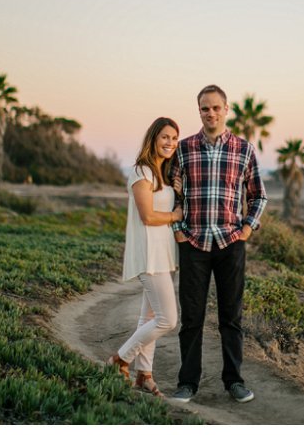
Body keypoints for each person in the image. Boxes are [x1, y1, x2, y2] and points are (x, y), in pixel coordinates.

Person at [169, 85, 268, 404]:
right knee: (192, 318)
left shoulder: (243, 149)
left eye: (215, 108)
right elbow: (172, 194)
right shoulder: (183, 149)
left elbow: (258, 195)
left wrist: (248, 228)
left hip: (230, 243)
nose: (209, 113)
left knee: (231, 317)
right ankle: (187, 383)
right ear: (198, 111)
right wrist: (178, 230)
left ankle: (234, 381)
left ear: (226, 110)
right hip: (193, 242)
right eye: (203, 108)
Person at [107, 117, 184, 397]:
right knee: (167, 320)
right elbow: (148, 216)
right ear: (153, 138)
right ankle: (120, 360)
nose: (170, 143)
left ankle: (144, 376)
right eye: (165, 137)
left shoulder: (162, 175)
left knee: (149, 318)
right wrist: (175, 215)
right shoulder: (142, 171)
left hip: (164, 254)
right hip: (149, 255)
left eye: (175, 139)